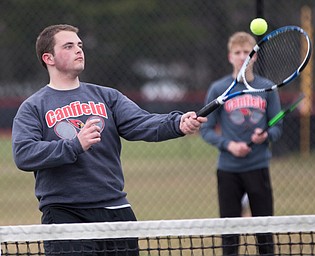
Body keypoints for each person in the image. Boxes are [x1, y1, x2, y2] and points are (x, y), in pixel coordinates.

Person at [11, 24, 207, 255]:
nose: (79, 50)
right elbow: (24, 153)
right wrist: (74, 145)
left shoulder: (106, 96)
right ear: (48, 58)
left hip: (116, 209)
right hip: (65, 213)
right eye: (69, 46)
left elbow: (142, 123)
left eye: (80, 45)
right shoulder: (33, 106)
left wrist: (177, 123)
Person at [200, 32, 282, 255]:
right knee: (230, 233)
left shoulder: (267, 88)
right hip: (228, 170)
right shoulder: (219, 89)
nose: (242, 56)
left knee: (264, 232)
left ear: (254, 56)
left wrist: (265, 135)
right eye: (238, 53)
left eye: (247, 52)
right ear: (230, 57)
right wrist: (229, 145)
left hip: (258, 167)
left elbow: (277, 126)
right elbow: (206, 129)